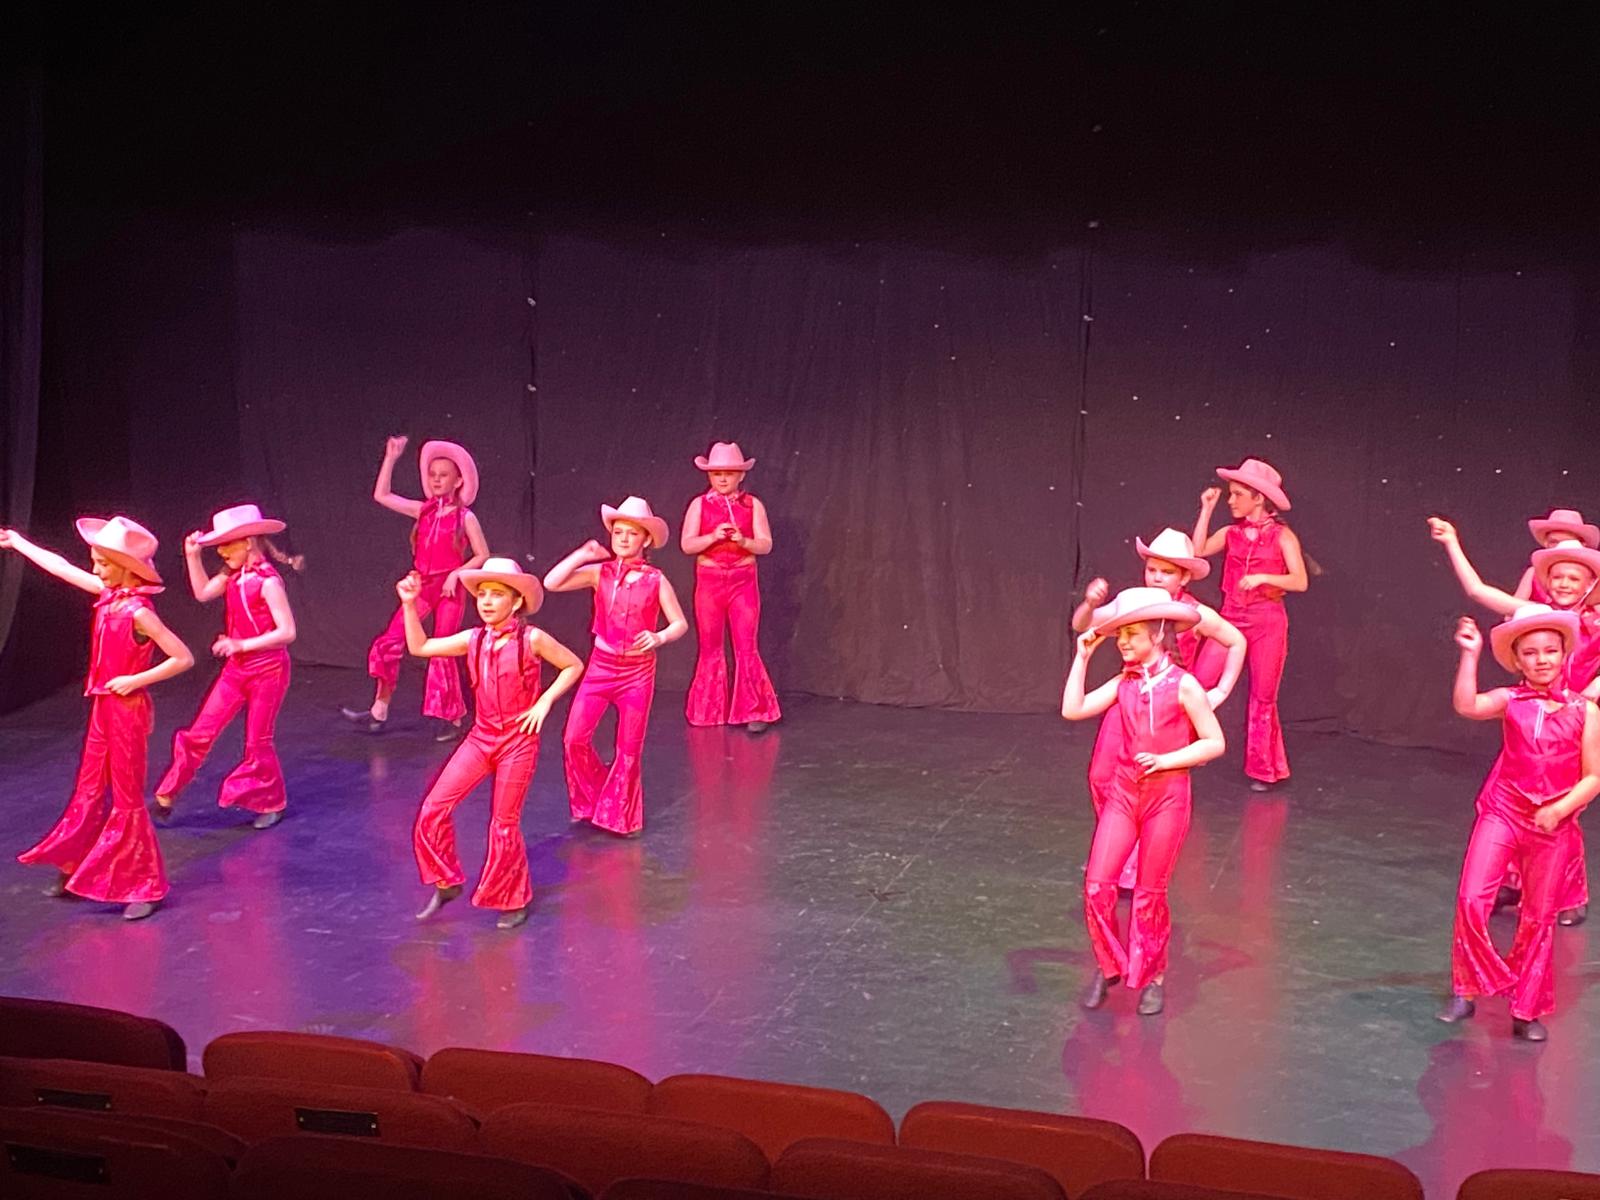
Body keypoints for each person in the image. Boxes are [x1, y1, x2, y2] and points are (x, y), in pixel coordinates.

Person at [1, 519, 193, 919]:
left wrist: (135, 679)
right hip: (103, 708)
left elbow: (182, 657)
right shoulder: (108, 597)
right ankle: (77, 865)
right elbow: (61, 568)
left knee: (126, 796)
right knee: (89, 787)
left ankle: (143, 883)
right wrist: (19, 543)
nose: (96, 570)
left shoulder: (139, 613)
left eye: (103, 564)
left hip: (127, 711)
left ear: (126, 568)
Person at [1437, 608, 1600, 1041]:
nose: (1541, 659)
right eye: (1530, 653)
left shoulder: (1586, 711)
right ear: (1518, 660)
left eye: (1550, 651)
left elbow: (1593, 778)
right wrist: (1470, 655)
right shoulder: (1510, 700)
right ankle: (1467, 988)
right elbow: (1467, 705)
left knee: (1538, 917)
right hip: (1504, 811)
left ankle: (1526, 1009)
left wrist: (1560, 810)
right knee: (1472, 898)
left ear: (1564, 654)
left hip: (1552, 827)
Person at [1061, 586, 1225, 1015]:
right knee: (1097, 886)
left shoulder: (1184, 685)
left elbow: (1214, 742)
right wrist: (1082, 658)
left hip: (1166, 799)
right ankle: (1109, 964)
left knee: (1150, 894)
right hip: (1124, 793)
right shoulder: (1125, 683)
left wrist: (1167, 760)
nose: (1124, 642)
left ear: (1157, 635)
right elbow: (1073, 709)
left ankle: (1153, 976)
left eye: (1132, 634)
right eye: (1120, 635)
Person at [404, 557, 583, 929]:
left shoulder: (532, 639)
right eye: (482, 594)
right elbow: (420, 646)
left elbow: (573, 665)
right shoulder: (473, 639)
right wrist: (409, 605)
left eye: (497, 594)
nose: (486, 601)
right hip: (481, 737)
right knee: (432, 809)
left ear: (515, 602)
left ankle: (512, 899)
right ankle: (446, 881)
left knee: (503, 824)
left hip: (518, 742)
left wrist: (544, 702)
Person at [1070, 528, 1245, 889]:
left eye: (1166, 572)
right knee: (1102, 777)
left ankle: (1134, 865)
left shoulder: (1196, 614)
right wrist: (1088, 603)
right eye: (1152, 570)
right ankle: (1116, 851)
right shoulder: (1135, 603)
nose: (1157, 578)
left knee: (1148, 784)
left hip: (1165, 709)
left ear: (1184, 577)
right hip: (1128, 698)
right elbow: (1083, 625)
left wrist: (1220, 691)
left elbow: (1236, 640)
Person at [545, 497, 688, 836]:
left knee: (628, 748)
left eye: (632, 533)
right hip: (601, 667)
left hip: (637, 673)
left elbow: (680, 623)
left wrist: (659, 636)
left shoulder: (656, 579)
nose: (623, 539)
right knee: (573, 739)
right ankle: (596, 798)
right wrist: (583, 554)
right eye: (618, 532)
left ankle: (620, 817)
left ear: (646, 539)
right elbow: (551, 583)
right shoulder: (600, 573)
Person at [154, 505, 296, 829]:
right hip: (237, 670)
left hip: (268, 670)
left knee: (258, 741)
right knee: (201, 731)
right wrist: (192, 557)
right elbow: (203, 593)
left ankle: (271, 803)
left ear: (247, 542)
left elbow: (287, 632)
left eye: (226, 544)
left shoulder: (268, 582)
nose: (220, 551)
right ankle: (167, 795)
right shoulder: (232, 576)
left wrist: (241, 644)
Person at [342, 435, 489, 739]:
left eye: (443, 475)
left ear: (458, 481)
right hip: (422, 585)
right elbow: (382, 495)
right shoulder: (423, 510)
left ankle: (452, 719)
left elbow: (482, 555)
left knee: (441, 650)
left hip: (449, 589)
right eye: (432, 474)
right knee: (390, 641)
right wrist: (391, 458)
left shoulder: (465, 517)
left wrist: (457, 574)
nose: (436, 480)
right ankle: (378, 711)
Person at [1191, 458, 1308, 790]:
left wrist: (1264, 577)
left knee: (1263, 696)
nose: (1231, 500)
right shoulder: (1231, 533)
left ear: (1259, 498)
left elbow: (1300, 581)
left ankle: (1262, 770)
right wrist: (1206, 509)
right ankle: (1189, 750)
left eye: (1238, 494)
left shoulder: (1283, 536)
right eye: (1231, 493)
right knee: (1199, 682)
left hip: (1267, 621)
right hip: (1230, 618)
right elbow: (1198, 550)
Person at [681, 441, 781, 732]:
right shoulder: (699, 504)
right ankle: (709, 710)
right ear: (709, 476)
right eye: (717, 474)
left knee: (746, 644)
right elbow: (687, 545)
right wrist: (713, 536)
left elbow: (765, 544)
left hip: (742, 580)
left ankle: (754, 710)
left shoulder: (753, 505)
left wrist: (744, 541)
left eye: (729, 473)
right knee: (710, 645)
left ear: (741, 475)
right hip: (710, 581)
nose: (723, 479)